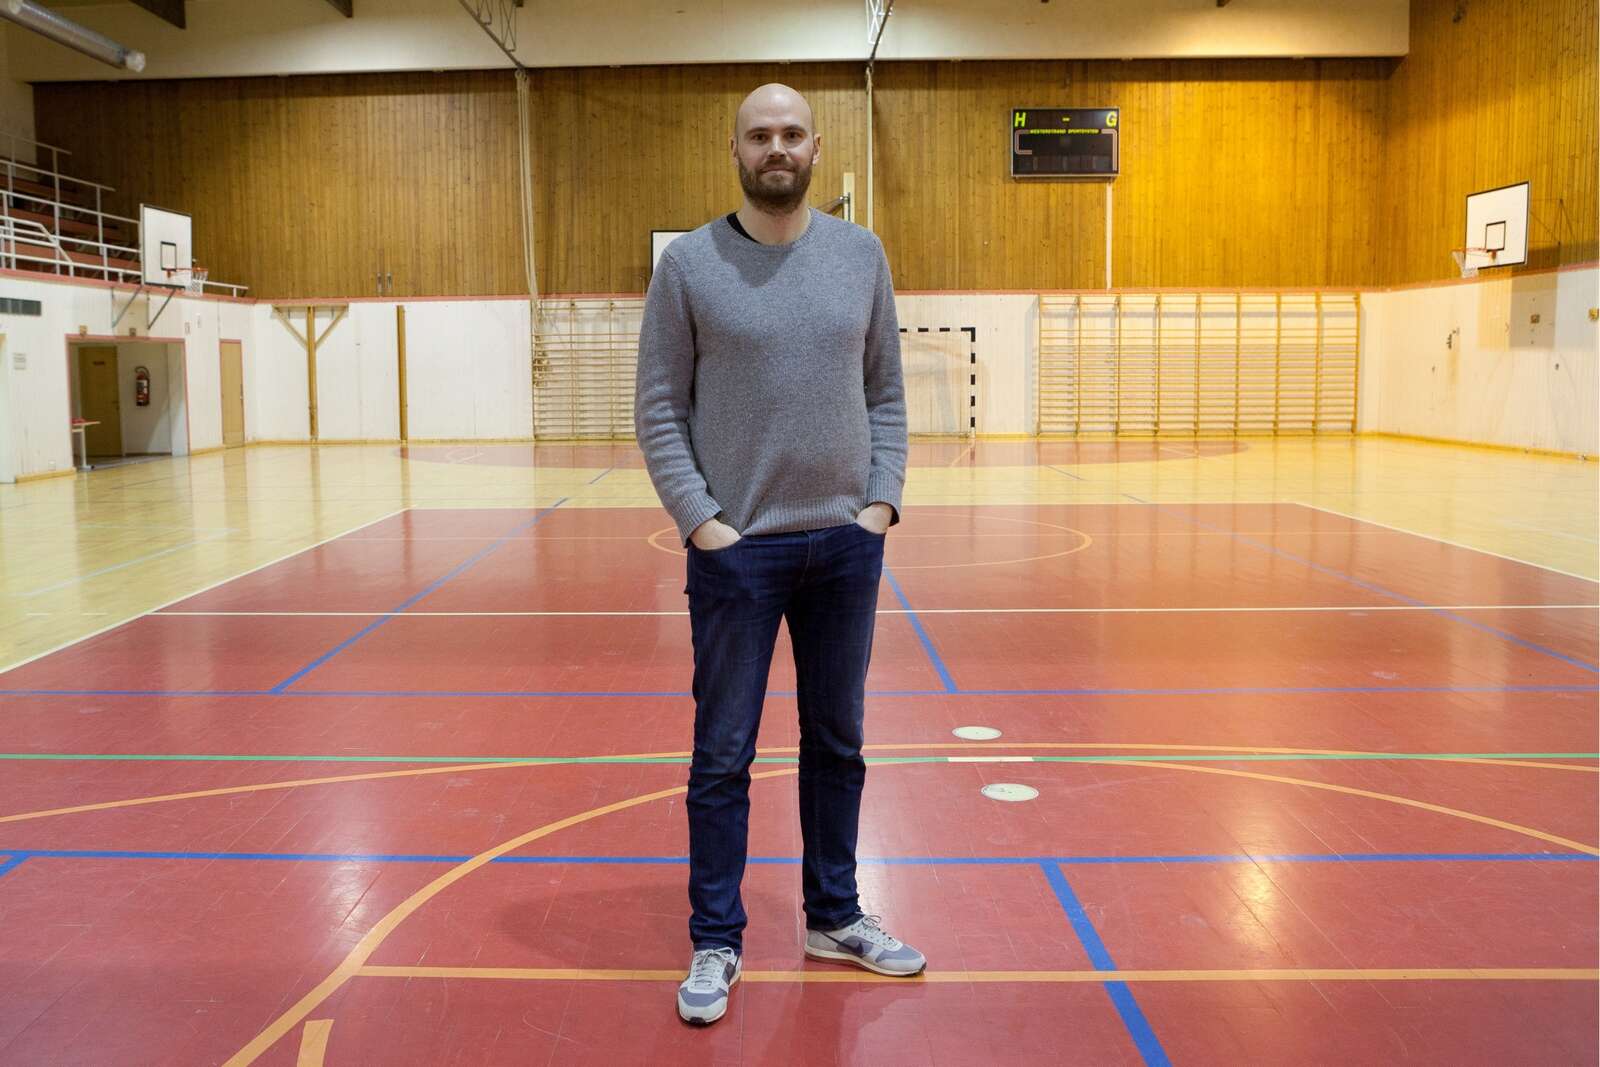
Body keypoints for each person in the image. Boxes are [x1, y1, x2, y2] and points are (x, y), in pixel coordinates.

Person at [634, 82, 924, 1026]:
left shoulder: (860, 255)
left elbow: (886, 391)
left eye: (792, 133)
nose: (777, 148)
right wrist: (701, 522)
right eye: (760, 134)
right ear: (735, 150)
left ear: (815, 147)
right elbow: (658, 407)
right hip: (738, 551)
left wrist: (879, 502)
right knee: (722, 754)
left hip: (845, 545)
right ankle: (717, 937)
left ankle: (834, 915)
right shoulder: (688, 265)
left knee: (838, 742)